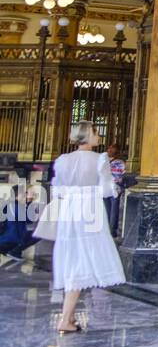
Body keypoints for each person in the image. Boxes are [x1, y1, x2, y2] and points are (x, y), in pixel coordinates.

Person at [50, 122, 125, 333]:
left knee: (73, 257)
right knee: (82, 261)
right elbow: (107, 189)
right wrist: (115, 189)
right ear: (86, 136)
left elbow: (57, 190)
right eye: (95, 133)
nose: (99, 137)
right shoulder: (99, 159)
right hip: (90, 211)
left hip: (69, 211)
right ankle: (65, 319)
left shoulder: (63, 160)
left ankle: (70, 315)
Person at [103, 144, 126, 238]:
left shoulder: (118, 162)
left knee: (111, 210)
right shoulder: (106, 161)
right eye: (109, 148)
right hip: (109, 188)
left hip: (112, 188)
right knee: (110, 210)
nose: (109, 150)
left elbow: (121, 175)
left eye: (112, 148)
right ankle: (110, 230)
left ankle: (111, 230)